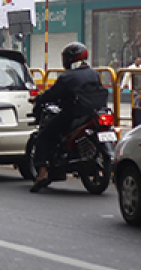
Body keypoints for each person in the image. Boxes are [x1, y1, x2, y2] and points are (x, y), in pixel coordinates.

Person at [29, 42, 109, 193]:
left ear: (70, 59)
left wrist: (38, 99)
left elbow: (52, 94)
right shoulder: (94, 73)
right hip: (94, 113)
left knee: (43, 137)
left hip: (73, 114)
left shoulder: (66, 77)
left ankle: (42, 174)